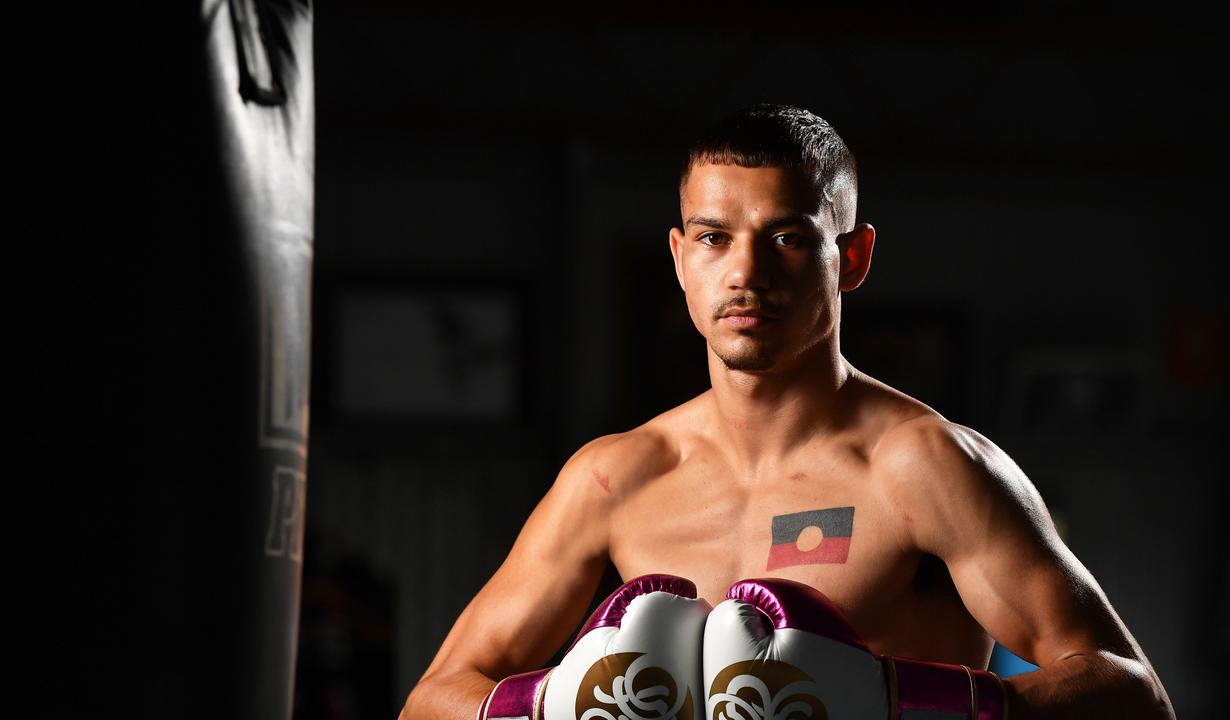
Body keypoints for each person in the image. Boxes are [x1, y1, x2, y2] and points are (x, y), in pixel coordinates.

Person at [398, 104, 1175, 719]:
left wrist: (901, 710)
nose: (746, 272)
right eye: (713, 238)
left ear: (855, 257)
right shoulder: (615, 478)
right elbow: (433, 699)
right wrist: (553, 708)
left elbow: (1133, 692)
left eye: (789, 239)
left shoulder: (922, 466)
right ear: (679, 258)